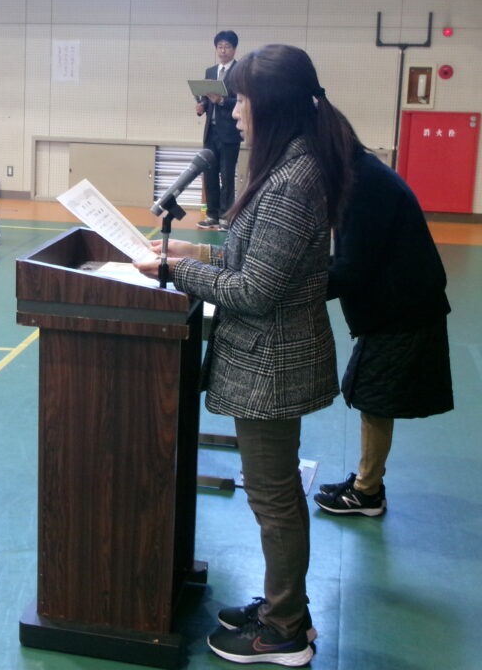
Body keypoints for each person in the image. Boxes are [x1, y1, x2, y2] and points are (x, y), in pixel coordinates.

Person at [137, 44, 354, 666]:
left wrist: (175, 272)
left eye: (242, 101)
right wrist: (191, 256)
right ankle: (286, 609)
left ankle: (283, 632)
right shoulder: (290, 164)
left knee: (273, 498)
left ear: (272, 105)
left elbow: (256, 290)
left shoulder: (291, 181)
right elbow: (253, 261)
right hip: (271, 357)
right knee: (274, 494)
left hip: (272, 363)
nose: (233, 113)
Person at [314, 121, 453, 518]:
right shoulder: (361, 173)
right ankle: (367, 482)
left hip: (403, 310)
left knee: (373, 398)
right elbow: (351, 259)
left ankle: (367, 492)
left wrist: (290, 288)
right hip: (401, 306)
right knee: (372, 397)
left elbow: (351, 269)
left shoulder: (363, 185)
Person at [195, 30, 243, 231]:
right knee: (210, 173)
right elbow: (206, 98)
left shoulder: (240, 71)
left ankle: (226, 216)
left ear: (234, 49)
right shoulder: (210, 71)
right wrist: (202, 106)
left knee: (227, 174)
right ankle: (212, 215)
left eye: (227, 47)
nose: (223, 50)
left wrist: (222, 100)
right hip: (211, 131)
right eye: (220, 47)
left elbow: (242, 100)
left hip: (230, 132)